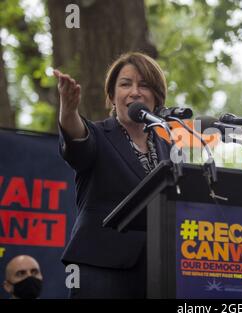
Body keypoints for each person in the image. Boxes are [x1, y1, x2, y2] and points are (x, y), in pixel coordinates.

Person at [54, 52, 172, 298]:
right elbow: (77, 141)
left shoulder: (168, 148)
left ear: (157, 98)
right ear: (111, 97)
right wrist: (68, 111)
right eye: (125, 84)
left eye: (144, 85)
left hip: (157, 273)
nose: (135, 92)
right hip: (101, 267)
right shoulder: (98, 134)